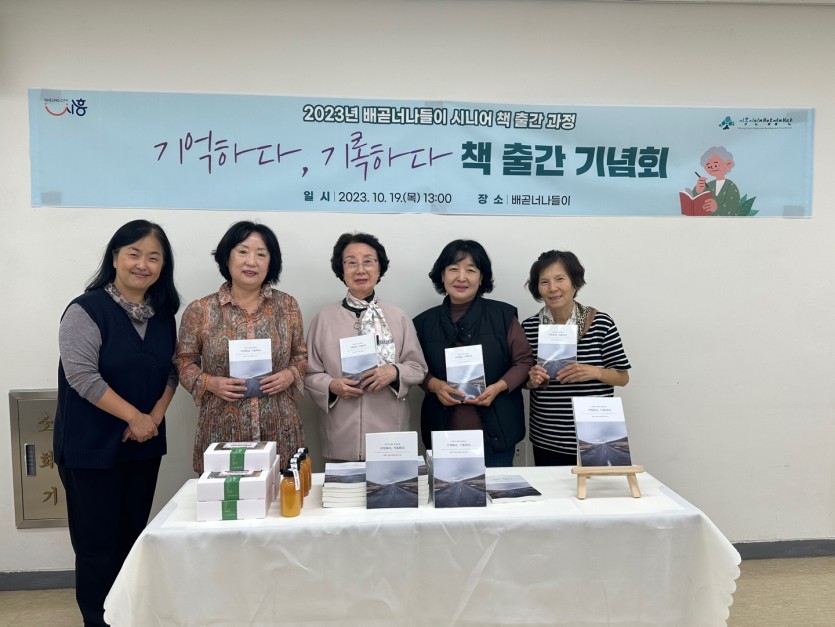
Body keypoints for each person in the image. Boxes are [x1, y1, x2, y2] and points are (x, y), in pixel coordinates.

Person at [55, 219, 180, 626]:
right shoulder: (86, 310)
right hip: (90, 448)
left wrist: (154, 417)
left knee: (131, 542)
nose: (142, 264)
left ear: (163, 266)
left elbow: (172, 371)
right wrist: (134, 417)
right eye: (134, 254)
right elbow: (82, 377)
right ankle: (98, 620)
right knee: (96, 547)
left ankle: (128, 617)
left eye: (153, 257)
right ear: (115, 258)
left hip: (142, 446)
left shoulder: (163, 315)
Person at [175, 221, 307, 473]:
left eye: (261, 254)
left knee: (282, 494)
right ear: (227, 257)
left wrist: (290, 375)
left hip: (280, 426)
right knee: (227, 494)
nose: (251, 261)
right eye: (243, 251)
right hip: (222, 428)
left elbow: (300, 356)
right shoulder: (201, 310)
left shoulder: (288, 306)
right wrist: (210, 383)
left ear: (271, 262)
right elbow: (184, 362)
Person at [305, 233, 427, 461]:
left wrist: (394, 372)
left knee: (390, 483)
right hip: (341, 436)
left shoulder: (398, 317)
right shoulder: (324, 319)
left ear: (379, 268)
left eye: (368, 261)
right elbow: (310, 374)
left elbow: (417, 368)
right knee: (343, 485)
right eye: (351, 262)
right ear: (341, 270)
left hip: (390, 438)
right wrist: (331, 385)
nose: (360, 270)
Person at [413, 239, 534, 467]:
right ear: (442, 275)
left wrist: (499, 387)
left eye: (471, 270)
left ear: (481, 277)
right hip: (443, 435)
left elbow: (524, 361)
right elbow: (414, 367)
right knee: (447, 490)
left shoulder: (503, 316)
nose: (461, 277)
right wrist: (434, 385)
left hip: (497, 436)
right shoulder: (423, 322)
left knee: (496, 490)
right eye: (453, 269)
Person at [522, 250, 631, 466]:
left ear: (575, 282)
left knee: (597, 488)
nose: (553, 288)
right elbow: (523, 380)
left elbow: (622, 377)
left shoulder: (601, 323)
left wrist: (595, 372)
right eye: (544, 282)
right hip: (547, 437)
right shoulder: (529, 327)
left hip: (596, 436)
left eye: (560, 279)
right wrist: (530, 380)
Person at [695, 146, 741, 215]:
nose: (712, 168)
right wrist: (698, 190)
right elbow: (698, 201)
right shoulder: (709, 185)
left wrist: (716, 208)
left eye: (716, 165)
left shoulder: (731, 186)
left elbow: (733, 207)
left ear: (728, 164)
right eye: (708, 166)